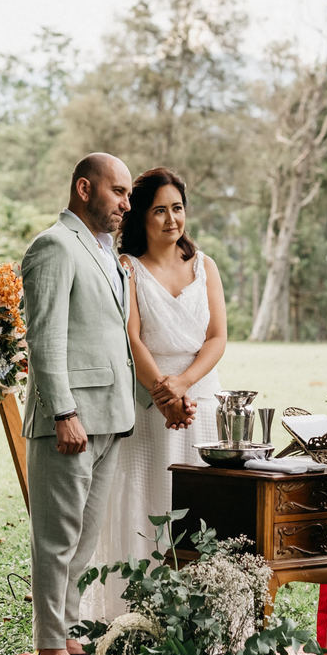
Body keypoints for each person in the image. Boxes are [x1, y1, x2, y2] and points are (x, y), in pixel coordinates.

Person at [82, 167, 227, 622]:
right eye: (159, 210)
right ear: (140, 217)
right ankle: (137, 621)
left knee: (205, 509)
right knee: (147, 501)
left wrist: (183, 386)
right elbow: (132, 338)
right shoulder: (127, 268)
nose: (171, 220)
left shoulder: (205, 266)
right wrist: (164, 396)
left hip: (201, 402)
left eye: (177, 209)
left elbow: (218, 338)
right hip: (150, 407)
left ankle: (201, 619)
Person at [21, 153, 137, 655]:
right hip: (69, 420)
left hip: (110, 415)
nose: (125, 204)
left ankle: (66, 631)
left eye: (129, 195)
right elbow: (46, 337)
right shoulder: (54, 245)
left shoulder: (109, 254)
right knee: (57, 536)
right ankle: (48, 649)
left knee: (85, 539)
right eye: (118, 192)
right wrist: (63, 410)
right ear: (84, 188)